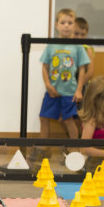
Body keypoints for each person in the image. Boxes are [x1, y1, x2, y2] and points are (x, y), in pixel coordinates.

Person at [39, 8, 90, 139]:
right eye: (63, 22)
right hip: (52, 91)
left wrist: (78, 90)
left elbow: (82, 70)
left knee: (68, 120)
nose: (66, 25)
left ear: (74, 25)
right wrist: (48, 85)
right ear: (57, 25)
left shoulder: (78, 46)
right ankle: (42, 147)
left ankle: (74, 148)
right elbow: (45, 67)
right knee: (43, 118)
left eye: (70, 23)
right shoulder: (51, 45)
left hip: (69, 92)